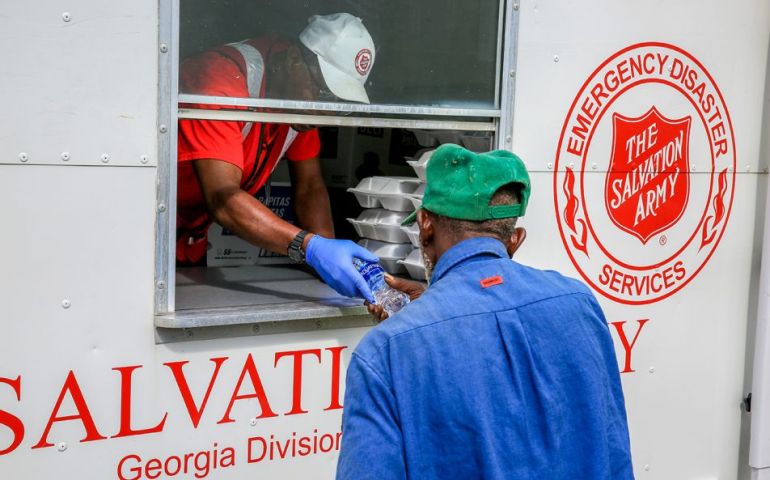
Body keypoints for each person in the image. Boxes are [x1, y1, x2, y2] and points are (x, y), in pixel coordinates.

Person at [337, 144, 634, 479]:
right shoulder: (579, 304)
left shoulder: (385, 352)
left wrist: (417, 326)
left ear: (424, 225)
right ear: (515, 239)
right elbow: (614, 450)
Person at [177, 12, 379, 302]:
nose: (324, 115)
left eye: (337, 104)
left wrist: (333, 266)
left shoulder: (300, 104)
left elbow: (310, 187)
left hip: (190, 246)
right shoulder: (221, 78)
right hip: (139, 238)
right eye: (324, 94)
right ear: (294, 60)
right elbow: (223, 199)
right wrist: (310, 248)